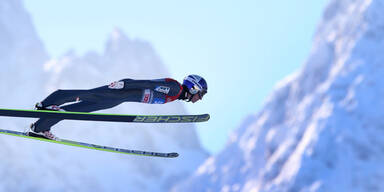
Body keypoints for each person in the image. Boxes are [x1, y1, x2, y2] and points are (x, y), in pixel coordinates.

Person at [27, 75, 208, 140]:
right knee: (86, 95)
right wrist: (124, 84)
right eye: (201, 94)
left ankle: (40, 127)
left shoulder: (175, 96)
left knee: (79, 110)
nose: (199, 98)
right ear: (194, 87)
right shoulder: (175, 88)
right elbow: (148, 83)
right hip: (120, 92)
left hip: (119, 99)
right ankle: (47, 103)